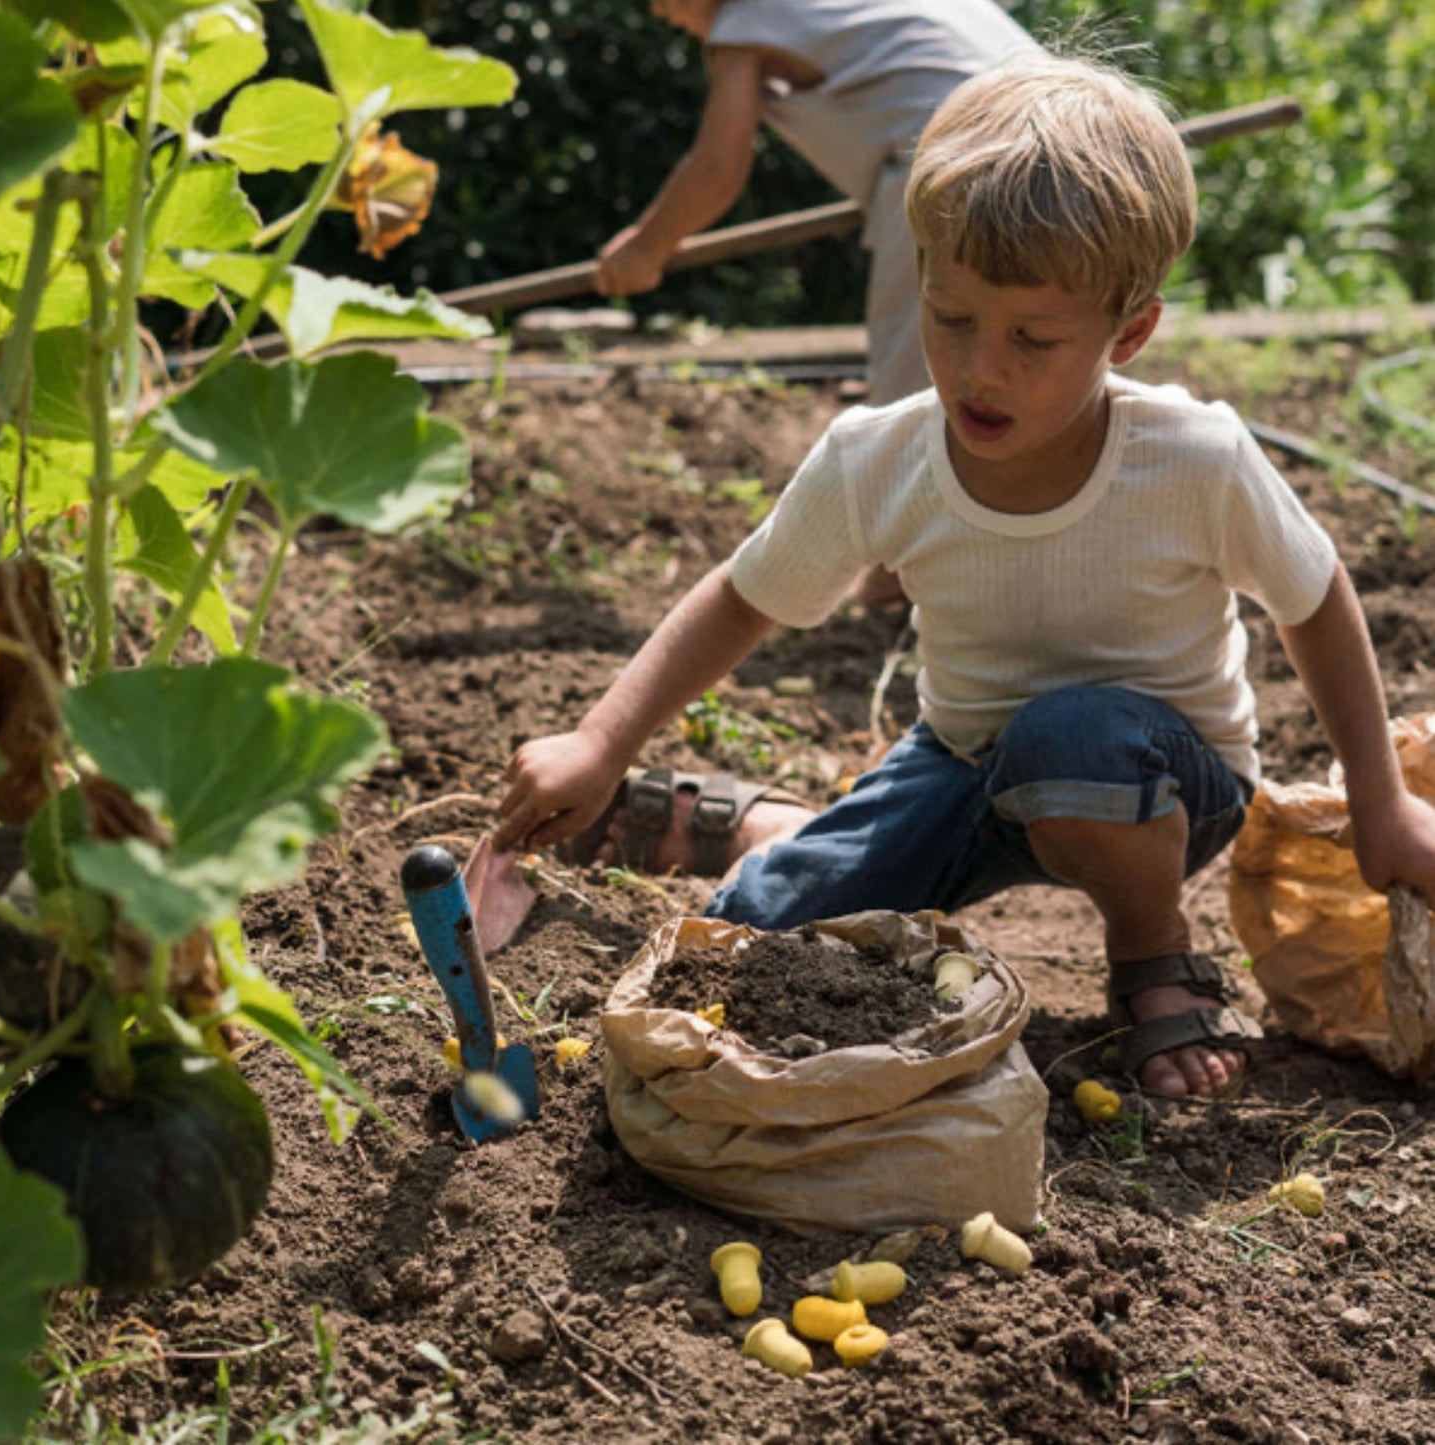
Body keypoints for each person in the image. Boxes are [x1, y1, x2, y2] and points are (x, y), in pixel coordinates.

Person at [494, 52, 1435, 1100]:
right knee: (749, 946)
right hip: (963, 763)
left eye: (1032, 337)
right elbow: (741, 594)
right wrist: (600, 739)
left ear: (1126, 332)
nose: (980, 368)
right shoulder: (877, 457)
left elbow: (1312, 598)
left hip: (1162, 783)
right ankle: (773, 825)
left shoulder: (1193, 458)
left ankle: (1150, 951)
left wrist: (1380, 802)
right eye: (949, 318)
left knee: (1070, 738)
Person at [597, 1, 1037, 600]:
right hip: (1058, 137)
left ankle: (898, 572)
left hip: (954, 164)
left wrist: (645, 249)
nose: (655, 9)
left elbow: (717, 167)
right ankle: (1029, 541)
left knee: (921, 380)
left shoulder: (741, 24)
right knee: (1038, 359)